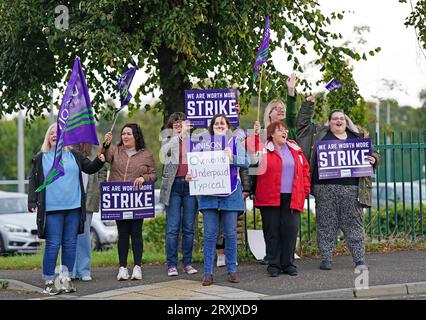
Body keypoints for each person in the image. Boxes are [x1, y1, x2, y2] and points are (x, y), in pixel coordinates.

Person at [296, 97, 379, 271]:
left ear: (346, 121)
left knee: (354, 225)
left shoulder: (357, 137)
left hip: (352, 189)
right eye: (335, 118)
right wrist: (308, 104)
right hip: (324, 188)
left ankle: (359, 260)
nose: (338, 121)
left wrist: (374, 159)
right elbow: (302, 125)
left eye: (341, 118)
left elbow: (374, 154)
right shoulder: (320, 136)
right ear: (329, 122)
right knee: (325, 224)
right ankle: (326, 258)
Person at [28, 123, 105, 295]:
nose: (55, 135)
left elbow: (91, 168)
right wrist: (32, 202)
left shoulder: (75, 155)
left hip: (74, 208)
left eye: (58, 132)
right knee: (53, 245)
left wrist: (100, 159)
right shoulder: (41, 158)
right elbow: (33, 181)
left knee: (70, 245)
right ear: (48, 137)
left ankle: (66, 279)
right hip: (52, 209)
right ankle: (49, 280)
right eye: (52, 133)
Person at [186, 114, 249, 286]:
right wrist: (190, 175)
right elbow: (194, 166)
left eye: (223, 123)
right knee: (210, 234)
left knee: (230, 233)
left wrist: (232, 158)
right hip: (208, 195)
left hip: (230, 192)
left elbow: (247, 162)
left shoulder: (235, 142)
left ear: (228, 126)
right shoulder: (202, 145)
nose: (220, 125)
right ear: (212, 126)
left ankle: (232, 270)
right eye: (216, 123)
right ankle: (208, 272)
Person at [249, 73, 299, 264]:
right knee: (271, 228)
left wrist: (291, 91)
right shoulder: (260, 134)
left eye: (283, 109)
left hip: (287, 190)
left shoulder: (289, 131)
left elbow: (293, 115)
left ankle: (285, 260)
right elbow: (252, 161)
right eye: (276, 109)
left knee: (287, 227)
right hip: (266, 189)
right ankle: (272, 259)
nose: (280, 111)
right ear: (269, 112)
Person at [250, 121, 310, 277]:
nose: (285, 132)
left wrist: (305, 190)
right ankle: (274, 264)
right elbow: (250, 154)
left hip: (292, 196)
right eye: (280, 130)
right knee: (272, 231)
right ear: (271, 133)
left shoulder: (295, 148)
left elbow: (305, 170)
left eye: (286, 129)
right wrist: (255, 134)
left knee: (290, 231)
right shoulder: (263, 148)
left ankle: (288, 263)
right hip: (269, 196)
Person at [102, 123, 156, 281]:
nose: (125, 136)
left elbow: (153, 175)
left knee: (136, 233)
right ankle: (122, 268)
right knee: (123, 234)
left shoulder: (146, 154)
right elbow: (104, 158)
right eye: (123, 134)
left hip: (137, 200)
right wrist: (105, 144)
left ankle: (138, 267)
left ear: (136, 136)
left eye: (128, 134)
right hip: (119, 199)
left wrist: (143, 178)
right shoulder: (115, 150)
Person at [159, 112, 198, 277]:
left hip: (190, 186)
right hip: (173, 187)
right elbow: (164, 155)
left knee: (189, 228)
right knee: (173, 228)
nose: (177, 125)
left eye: (180, 122)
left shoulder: (195, 141)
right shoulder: (167, 140)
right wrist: (178, 137)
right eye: (174, 123)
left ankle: (187, 263)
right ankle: (172, 264)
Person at [71, 143, 108, 281]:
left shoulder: (95, 149)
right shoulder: (68, 148)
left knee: (84, 235)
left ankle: (84, 270)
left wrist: (100, 186)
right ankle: (70, 270)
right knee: (69, 235)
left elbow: (103, 169)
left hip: (89, 197)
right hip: (70, 198)